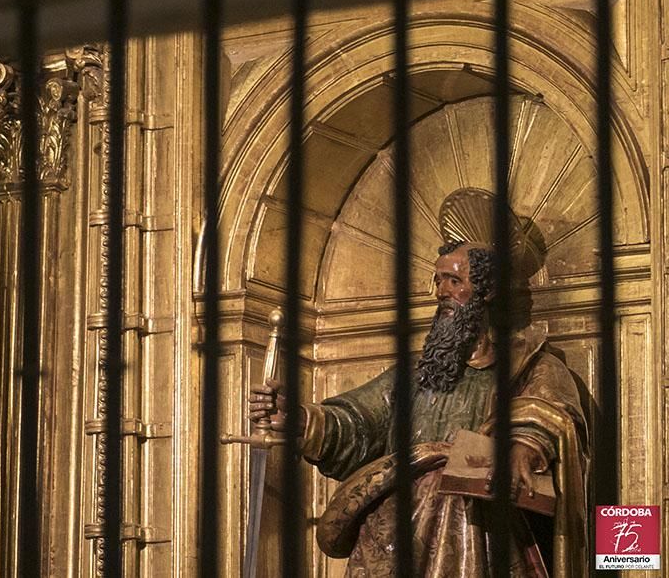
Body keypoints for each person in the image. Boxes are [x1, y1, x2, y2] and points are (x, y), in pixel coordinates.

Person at [249, 189, 589, 577]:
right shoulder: (416, 376)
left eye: (454, 280)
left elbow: (552, 414)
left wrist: (524, 446)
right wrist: (303, 420)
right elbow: (359, 419)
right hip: (398, 534)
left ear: (488, 289)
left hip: (480, 531)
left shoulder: (529, 364)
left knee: (453, 497)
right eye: (438, 281)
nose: (442, 291)